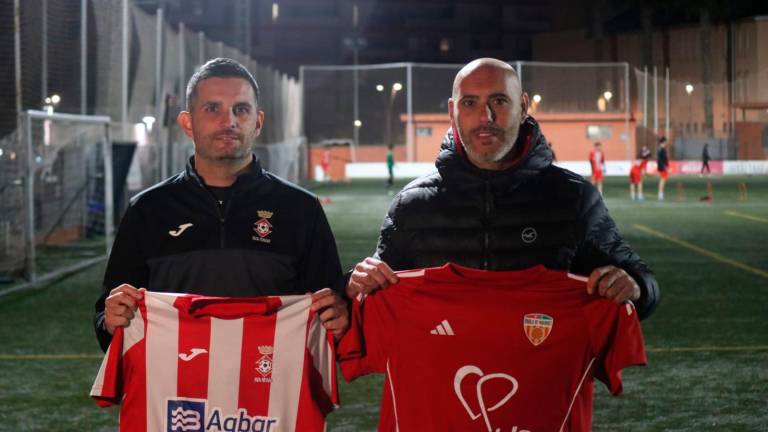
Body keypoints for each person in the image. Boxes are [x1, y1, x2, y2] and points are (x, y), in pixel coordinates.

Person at [347, 58, 658, 320]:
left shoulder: (573, 198)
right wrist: (353, 284)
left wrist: (636, 287)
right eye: (471, 103)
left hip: (540, 388)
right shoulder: (412, 206)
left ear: (523, 106)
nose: (486, 118)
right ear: (453, 111)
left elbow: (638, 279)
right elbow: (373, 286)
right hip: (440, 389)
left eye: (499, 101)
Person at [94, 58, 349, 352]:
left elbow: (331, 307)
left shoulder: (301, 209)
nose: (228, 121)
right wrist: (110, 321)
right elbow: (107, 317)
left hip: (269, 389)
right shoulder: (148, 210)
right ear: (187, 123)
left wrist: (340, 317)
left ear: (257, 122)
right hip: (177, 392)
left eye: (241, 109)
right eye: (212, 108)